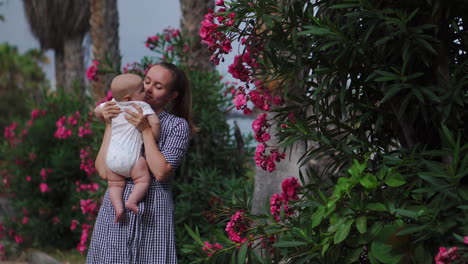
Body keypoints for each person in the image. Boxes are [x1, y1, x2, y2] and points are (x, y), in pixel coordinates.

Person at [87, 62, 196, 264]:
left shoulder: (176, 126)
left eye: (158, 86)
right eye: (146, 81)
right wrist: (110, 125)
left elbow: (161, 172)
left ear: (172, 96)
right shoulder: (120, 116)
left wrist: (146, 130)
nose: (148, 88)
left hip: (152, 213)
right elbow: (103, 170)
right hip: (115, 213)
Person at [96, 73, 160, 222]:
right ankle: (131, 201)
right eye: (142, 90)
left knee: (115, 185)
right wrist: (153, 136)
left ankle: (118, 208)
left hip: (111, 160)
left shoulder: (112, 104)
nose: (146, 93)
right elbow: (155, 123)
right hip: (132, 158)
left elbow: (97, 111)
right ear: (128, 99)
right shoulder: (141, 106)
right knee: (143, 179)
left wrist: (102, 115)